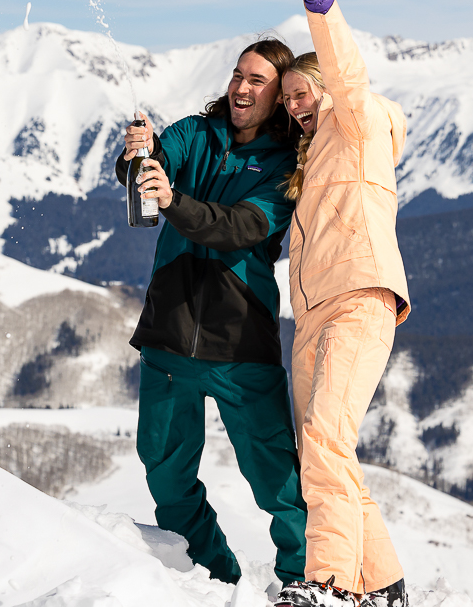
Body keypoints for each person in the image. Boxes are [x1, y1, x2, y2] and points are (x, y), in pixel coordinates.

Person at [117, 38, 310, 587]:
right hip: (168, 336)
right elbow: (149, 165)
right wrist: (139, 153)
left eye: (257, 82)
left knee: (277, 480)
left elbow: (238, 228)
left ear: (278, 98)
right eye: (237, 75)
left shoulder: (285, 166)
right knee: (166, 476)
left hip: (239, 342)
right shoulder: (193, 133)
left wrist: (173, 200)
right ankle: (212, 578)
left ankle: (300, 580)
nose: (241, 88)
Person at [272, 0, 410, 607]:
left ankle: (329, 583)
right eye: (289, 96)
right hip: (311, 318)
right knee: (327, 457)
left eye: (304, 90)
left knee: (327, 441)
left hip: (359, 299)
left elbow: (347, 69)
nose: (296, 103)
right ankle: (384, 588)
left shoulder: (355, 123)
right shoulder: (310, 157)